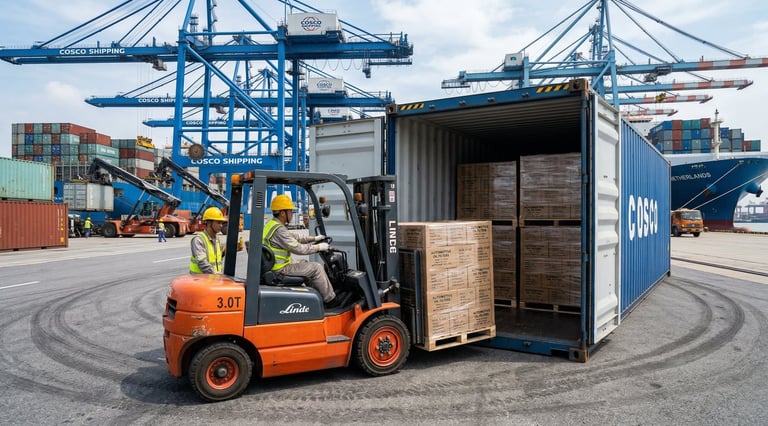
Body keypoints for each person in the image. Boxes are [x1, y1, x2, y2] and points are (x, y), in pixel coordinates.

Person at [263, 194, 342, 308]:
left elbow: (296, 238)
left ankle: (316, 297)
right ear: (282, 213)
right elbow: (299, 249)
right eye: (290, 211)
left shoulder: (272, 225)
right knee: (316, 268)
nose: (292, 214)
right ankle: (330, 300)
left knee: (304, 264)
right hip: (279, 269)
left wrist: (315, 238)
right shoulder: (279, 230)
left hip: (275, 266)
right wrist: (319, 247)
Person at [189, 207, 227, 274]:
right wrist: (217, 275)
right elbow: (202, 263)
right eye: (218, 222)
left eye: (222, 223)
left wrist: (229, 250)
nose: (221, 226)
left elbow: (217, 257)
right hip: (200, 281)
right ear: (209, 223)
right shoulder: (199, 240)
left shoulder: (217, 239)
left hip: (212, 281)